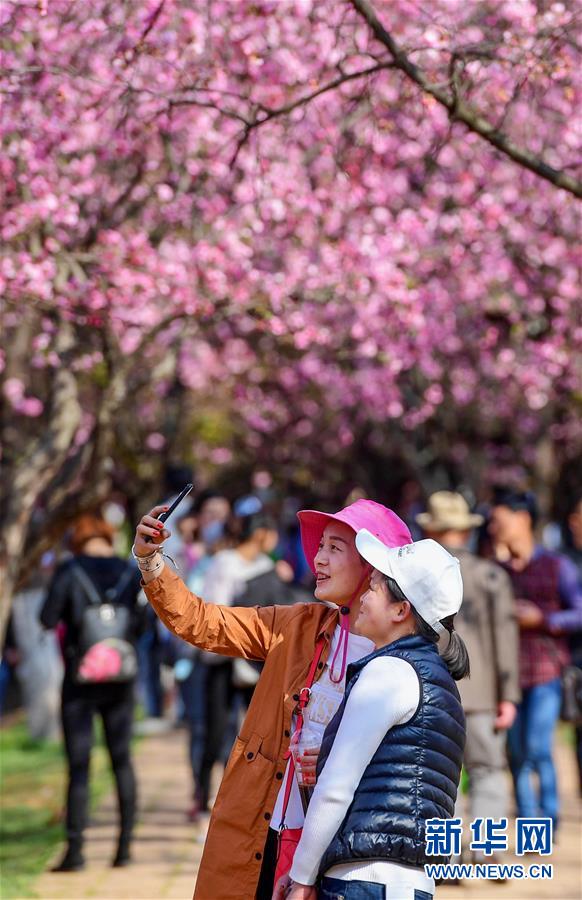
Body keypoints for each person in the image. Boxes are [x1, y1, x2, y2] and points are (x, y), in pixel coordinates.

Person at [133, 498, 412, 900]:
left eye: (335, 548)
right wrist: (150, 561)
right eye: (320, 547)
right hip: (265, 830)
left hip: (346, 852)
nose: (318, 558)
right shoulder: (297, 624)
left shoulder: (408, 660)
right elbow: (203, 621)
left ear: (373, 564)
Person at [280, 532, 468, 900]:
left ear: (402, 611)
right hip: (410, 883)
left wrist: (301, 875)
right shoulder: (437, 680)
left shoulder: (388, 672)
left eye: (375, 587)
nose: (362, 597)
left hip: (364, 881)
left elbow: (336, 787)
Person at [40, 514, 146, 872]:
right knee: (122, 760)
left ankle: (76, 852)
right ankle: (125, 849)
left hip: (79, 682)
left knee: (80, 766)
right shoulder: (129, 571)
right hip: (122, 677)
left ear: (77, 540)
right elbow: (145, 622)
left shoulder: (69, 571)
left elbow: (46, 618)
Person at [417, 491, 520, 857]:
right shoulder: (490, 575)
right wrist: (508, 694)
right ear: (465, 531)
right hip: (481, 694)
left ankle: (448, 854)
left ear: (430, 529)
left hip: (430, 692)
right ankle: (485, 850)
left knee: (440, 774)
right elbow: (504, 639)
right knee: (488, 769)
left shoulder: (415, 578)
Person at [489, 489, 582, 830]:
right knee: (516, 753)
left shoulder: (558, 566)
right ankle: (531, 822)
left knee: (538, 747)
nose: (494, 527)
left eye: (500, 520)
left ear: (523, 519)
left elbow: (579, 613)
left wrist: (542, 619)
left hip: (546, 672)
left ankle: (551, 817)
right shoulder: (495, 572)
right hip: (508, 675)